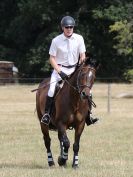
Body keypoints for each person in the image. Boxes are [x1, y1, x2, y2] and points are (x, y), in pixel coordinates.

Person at [41, 16, 98, 125]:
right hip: (60, 69)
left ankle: (88, 115)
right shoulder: (56, 41)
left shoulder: (79, 38)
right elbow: (52, 58)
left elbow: (82, 54)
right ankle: (47, 115)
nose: (69, 29)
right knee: (52, 89)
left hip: (75, 69)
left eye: (71, 27)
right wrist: (59, 71)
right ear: (63, 28)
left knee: (88, 91)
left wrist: (82, 61)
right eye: (67, 27)